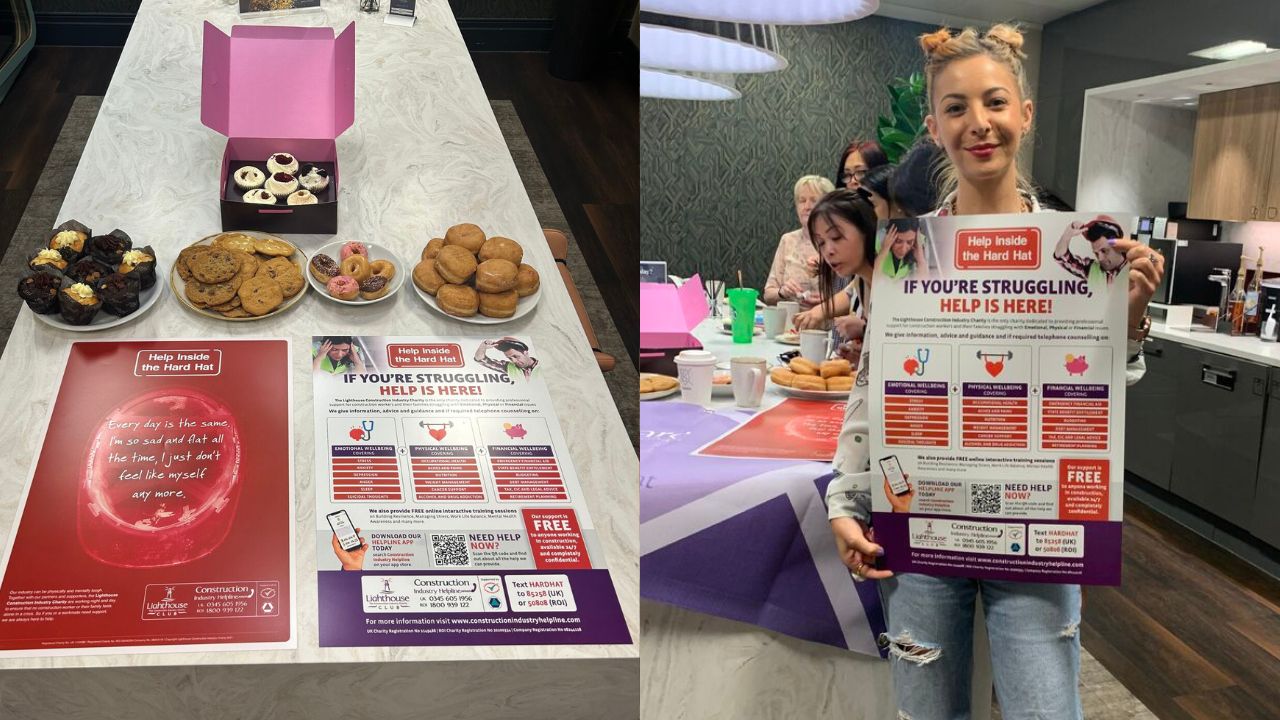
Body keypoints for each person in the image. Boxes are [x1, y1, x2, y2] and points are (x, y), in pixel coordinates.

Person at [824, 24, 1165, 720]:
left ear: (1025, 113)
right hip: (923, 528)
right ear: (934, 126)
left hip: (1042, 532)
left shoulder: (1086, 251)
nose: (978, 124)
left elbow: (1098, 393)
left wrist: (1125, 317)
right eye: (956, 108)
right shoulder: (907, 256)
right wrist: (844, 501)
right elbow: (873, 389)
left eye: (995, 102)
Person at [794, 190, 879, 360]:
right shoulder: (860, 281)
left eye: (836, 237)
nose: (828, 251)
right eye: (821, 243)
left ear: (866, 229)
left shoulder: (897, 282)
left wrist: (864, 331)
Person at [763, 175, 834, 308]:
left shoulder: (837, 243)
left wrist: (828, 301)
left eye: (814, 200)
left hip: (826, 324)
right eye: (802, 201)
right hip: (789, 324)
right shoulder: (788, 240)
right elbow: (768, 295)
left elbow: (851, 294)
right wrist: (782, 292)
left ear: (827, 206)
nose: (807, 206)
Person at [1054, 215, 1128, 284]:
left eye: (1104, 251)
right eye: (1096, 253)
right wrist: (1067, 235)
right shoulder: (1092, 270)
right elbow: (1061, 257)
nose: (1100, 258)